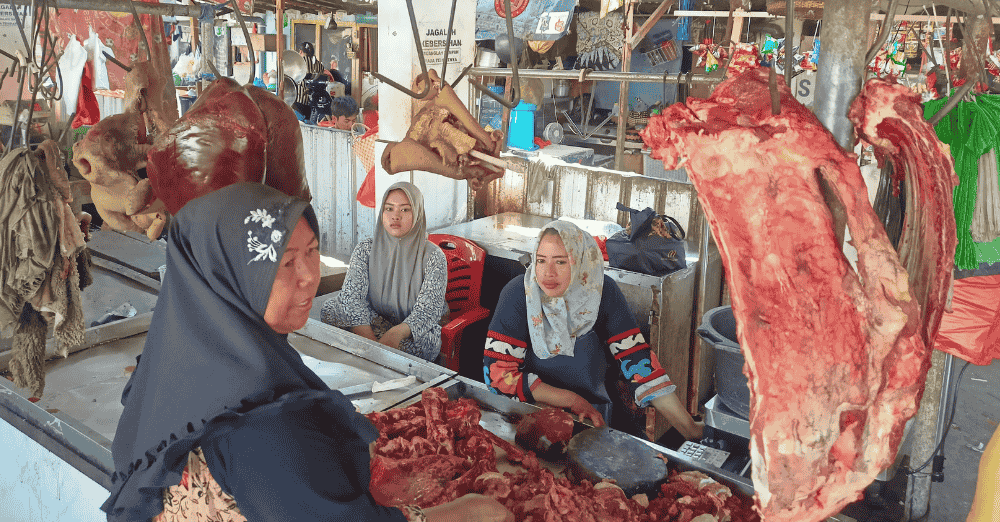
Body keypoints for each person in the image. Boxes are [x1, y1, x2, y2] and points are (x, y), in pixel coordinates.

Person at [102, 183, 507, 522]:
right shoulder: (269, 426)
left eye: (312, 250)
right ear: (229, 274)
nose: (310, 275)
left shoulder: (167, 365)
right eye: (284, 263)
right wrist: (467, 512)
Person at [483, 220, 705, 439]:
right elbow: (498, 376)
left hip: (596, 415)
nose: (548, 273)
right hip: (532, 413)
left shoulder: (601, 292)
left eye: (560, 262)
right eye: (541, 260)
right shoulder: (520, 294)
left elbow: (639, 362)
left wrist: (689, 429)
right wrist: (571, 400)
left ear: (581, 261)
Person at [321, 182, 447, 361]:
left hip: (410, 330)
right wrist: (371, 341)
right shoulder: (365, 249)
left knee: (421, 346)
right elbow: (352, 297)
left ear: (418, 213)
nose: (395, 216)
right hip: (376, 319)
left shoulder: (434, 256)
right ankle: (375, 347)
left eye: (405, 210)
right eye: (389, 208)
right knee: (330, 308)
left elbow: (427, 311)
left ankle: (367, 347)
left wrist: (396, 334)